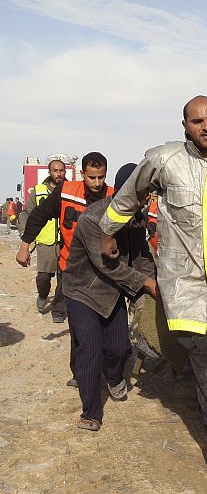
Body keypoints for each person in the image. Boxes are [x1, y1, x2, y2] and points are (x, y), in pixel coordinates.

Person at [97, 95, 207, 481]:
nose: (206, 126)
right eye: (197, 121)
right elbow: (130, 193)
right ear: (185, 126)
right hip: (184, 284)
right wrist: (108, 231)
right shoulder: (165, 160)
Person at [63, 163, 157, 432]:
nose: (144, 200)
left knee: (119, 349)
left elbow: (141, 257)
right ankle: (91, 411)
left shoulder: (137, 219)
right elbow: (108, 266)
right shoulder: (95, 218)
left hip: (113, 294)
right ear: (124, 192)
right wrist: (147, 283)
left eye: (146, 195)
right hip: (83, 292)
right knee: (90, 348)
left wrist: (153, 284)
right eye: (140, 194)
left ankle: (114, 377)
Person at [18, 152, 114, 390]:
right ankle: (81, 373)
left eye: (101, 177)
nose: (97, 183)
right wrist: (24, 245)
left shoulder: (114, 196)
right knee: (79, 328)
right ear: (82, 174)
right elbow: (39, 214)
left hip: (104, 274)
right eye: (92, 177)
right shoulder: (66, 192)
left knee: (105, 327)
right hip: (71, 271)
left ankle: (108, 370)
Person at [27, 159, 67, 316]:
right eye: (55, 170)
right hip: (45, 241)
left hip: (66, 241)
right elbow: (29, 214)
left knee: (64, 278)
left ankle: (58, 309)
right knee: (43, 277)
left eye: (61, 170)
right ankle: (43, 295)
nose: (59, 173)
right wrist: (26, 234)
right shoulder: (38, 190)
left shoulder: (70, 190)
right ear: (50, 172)